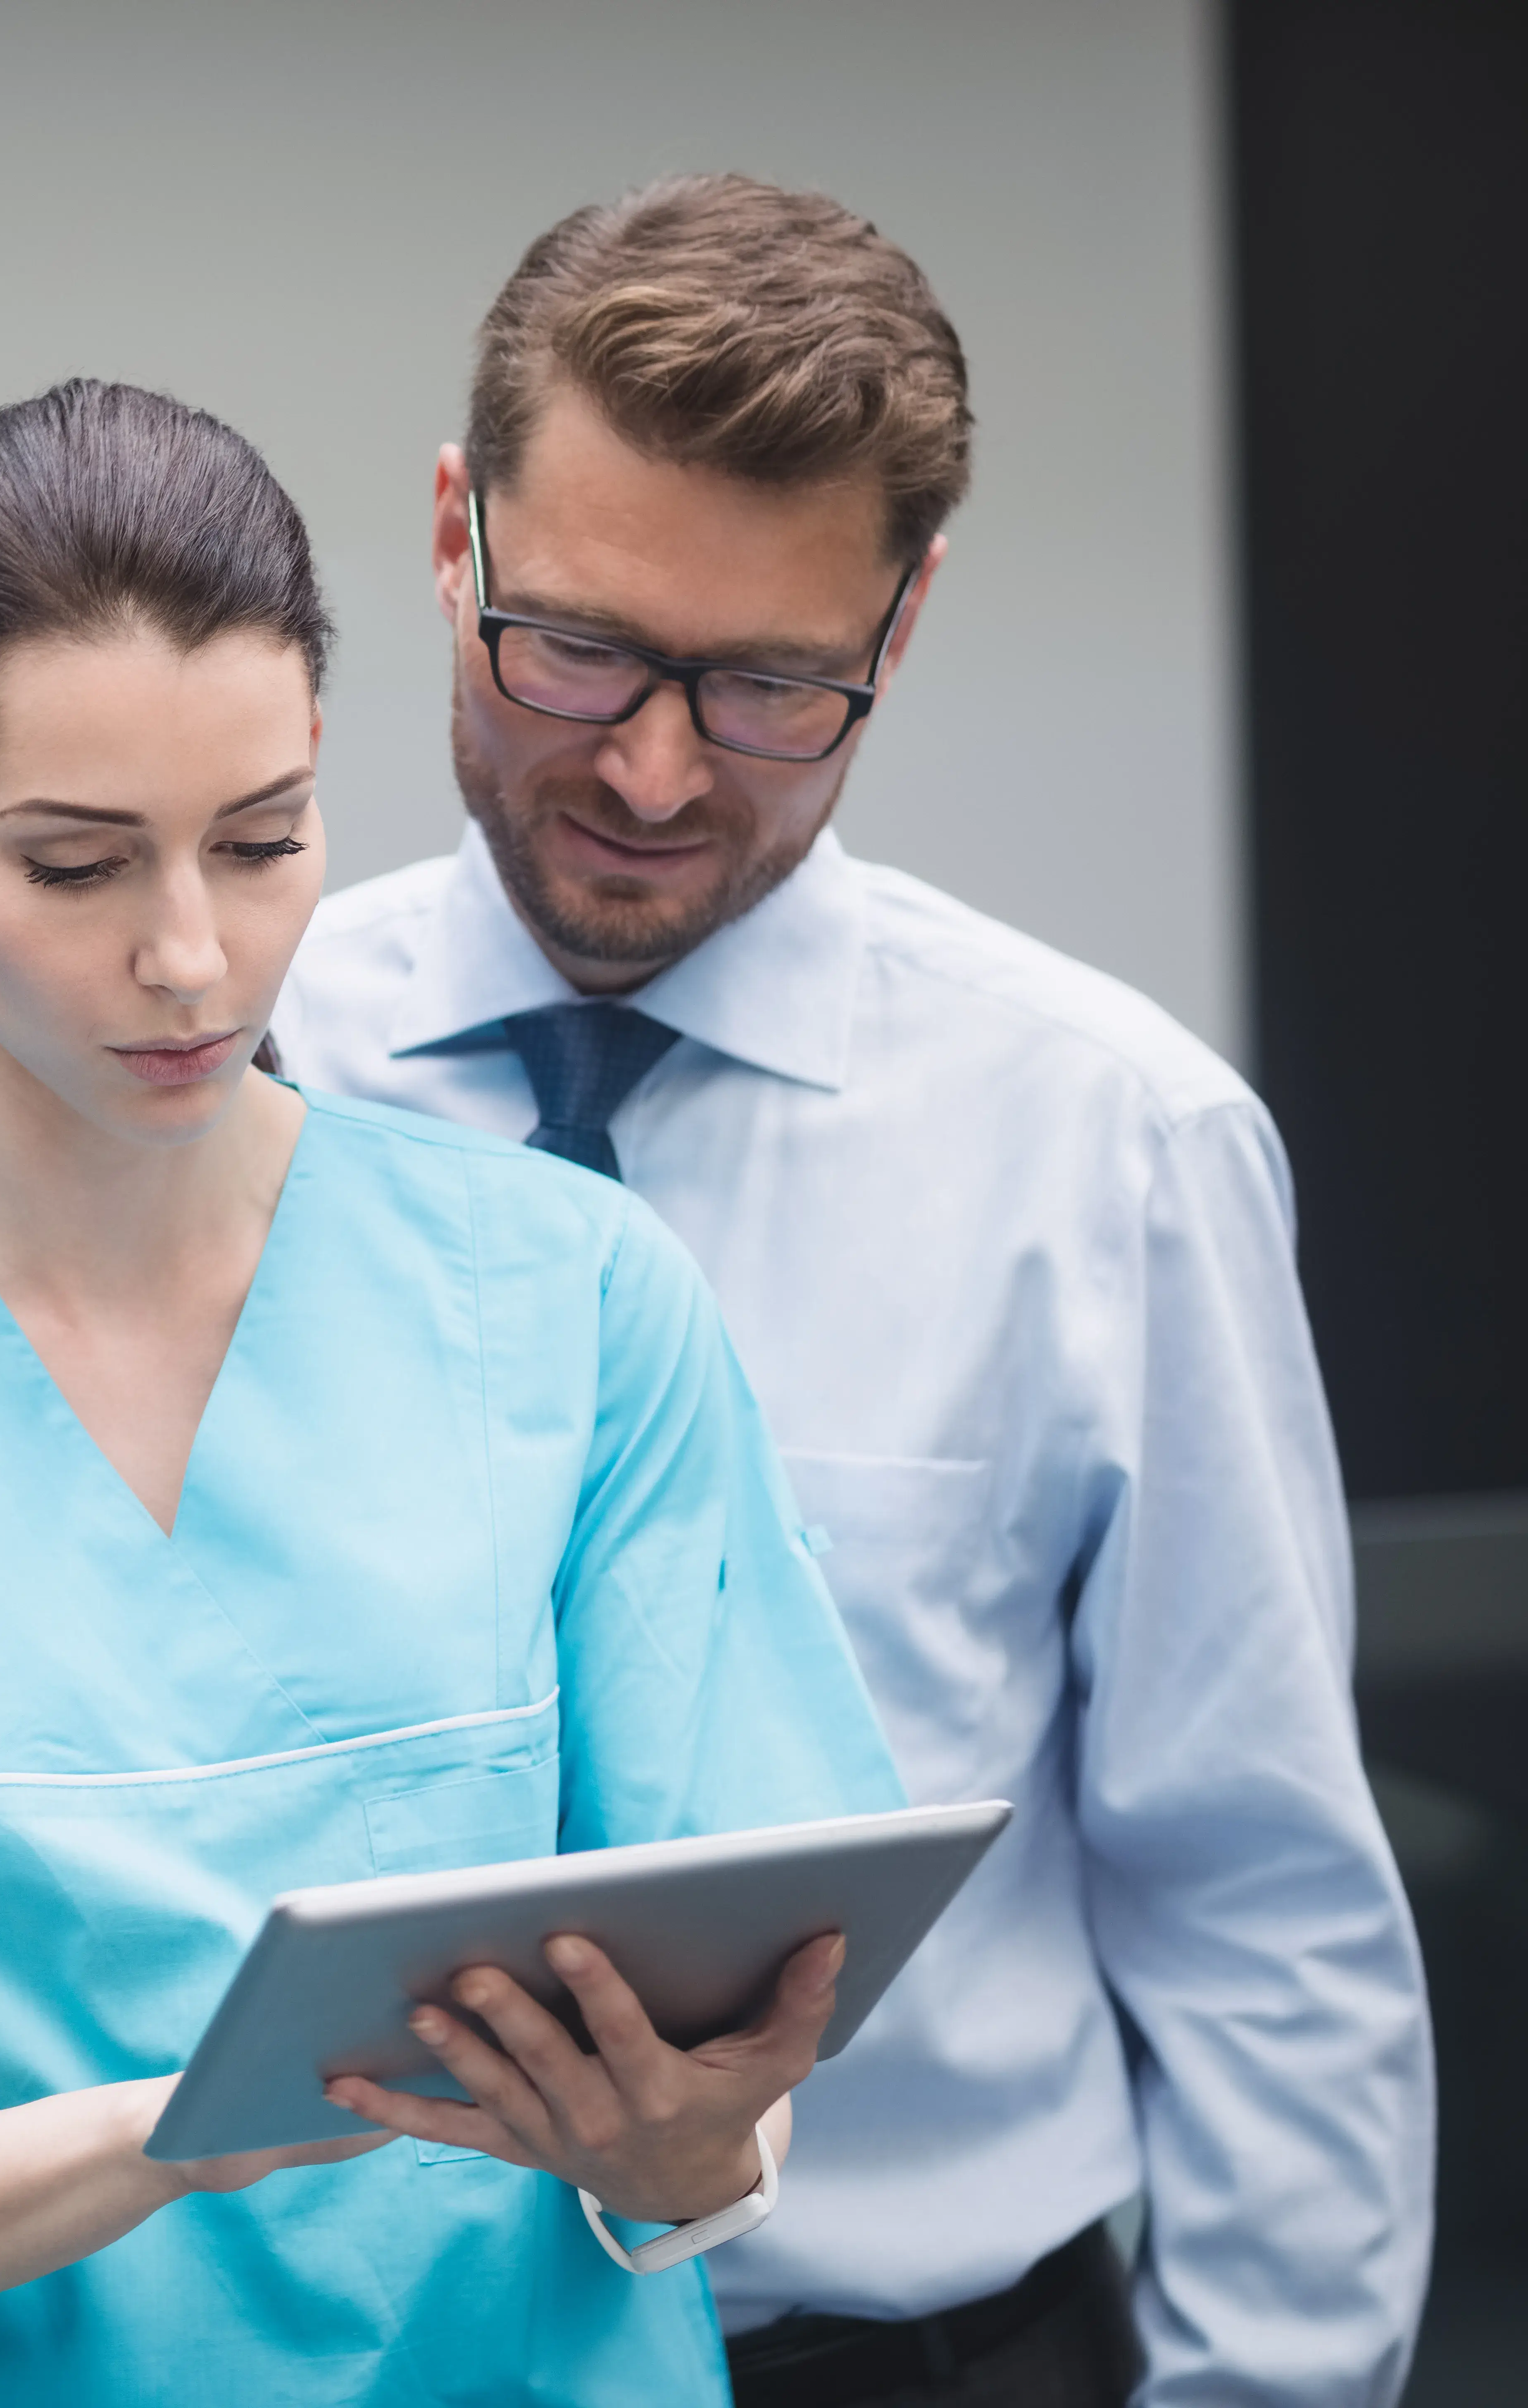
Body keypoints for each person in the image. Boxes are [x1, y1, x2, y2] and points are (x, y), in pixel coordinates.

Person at [0, 380, 910, 2407]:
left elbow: (736, 2048)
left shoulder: (576, 1311)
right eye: (80, 864)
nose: (195, 957)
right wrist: (178, 2134)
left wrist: (695, 2143)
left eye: (262, 841)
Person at [274, 175, 1433, 2408]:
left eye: (772, 686)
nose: (648, 767)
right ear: (451, 535)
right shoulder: (228, 1072)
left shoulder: (1116, 1146)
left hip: (904, 2353)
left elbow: (1265, 1915)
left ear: (898, 630)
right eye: (579, 646)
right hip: (331, 2348)